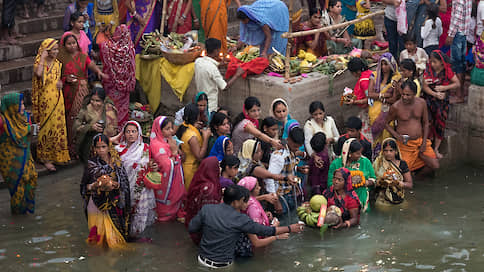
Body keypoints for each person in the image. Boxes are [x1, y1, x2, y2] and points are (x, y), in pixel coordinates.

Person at [188, 185, 303, 268]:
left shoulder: (207, 209)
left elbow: (192, 228)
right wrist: (289, 228)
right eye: (246, 201)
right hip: (222, 266)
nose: (248, 204)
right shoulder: (241, 219)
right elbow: (265, 231)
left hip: (201, 261)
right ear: (237, 201)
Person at [57, 32, 107, 155]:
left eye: (74, 43)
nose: (72, 46)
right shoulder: (60, 58)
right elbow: (56, 75)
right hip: (68, 92)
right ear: (63, 45)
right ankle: (71, 146)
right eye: (69, 44)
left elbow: (91, 65)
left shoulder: (83, 56)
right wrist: (65, 79)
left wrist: (99, 73)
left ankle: (83, 145)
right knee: (71, 118)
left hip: (82, 91)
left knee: (83, 116)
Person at [80, 133, 130, 248]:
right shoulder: (91, 164)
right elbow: (84, 187)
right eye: (98, 147)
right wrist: (95, 186)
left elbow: (124, 183)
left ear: (109, 147)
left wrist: (115, 185)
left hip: (115, 203)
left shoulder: (117, 162)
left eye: (104, 147)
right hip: (97, 204)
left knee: (115, 240)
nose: (101, 150)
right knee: (99, 241)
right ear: (94, 148)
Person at [32, 38, 71, 171]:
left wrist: (60, 83)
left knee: (58, 126)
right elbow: (38, 74)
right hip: (45, 101)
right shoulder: (39, 63)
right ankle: (45, 158)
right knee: (46, 127)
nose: (56, 51)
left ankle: (58, 156)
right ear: (47, 51)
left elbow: (57, 78)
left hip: (57, 99)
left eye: (56, 49)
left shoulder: (58, 64)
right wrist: (42, 57)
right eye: (53, 49)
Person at [385, 79, 440, 173]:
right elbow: (386, 124)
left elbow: (426, 123)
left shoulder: (421, 103)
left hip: (420, 141)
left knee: (435, 165)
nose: (405, 97)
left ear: (414, 94)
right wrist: (397, 136)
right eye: (403, 94)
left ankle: (418, 176)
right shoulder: (396, 107)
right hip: (405, 144)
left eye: (408, 95)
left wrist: (423, 143)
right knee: (402, 171)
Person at [111, 121, 155, 234]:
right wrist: (114, 138)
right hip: (125, 188)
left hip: (142, 187)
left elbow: (149, 164)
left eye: (133, 131)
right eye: (128, 132)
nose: (131, 134)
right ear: (123, 134)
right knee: (126, 213)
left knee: (140, 214)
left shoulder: (145, 148)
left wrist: (153, 167)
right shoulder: (118, 150)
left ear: (138, 133)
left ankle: (139, 235)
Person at [0, 93, 38, 214]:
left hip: (26, 159)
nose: (23, 107)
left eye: (22, 103)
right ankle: (19, 218)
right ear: (12, 107)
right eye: (20, 104)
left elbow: (29, 135)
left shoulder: (25, 118)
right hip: (11, 164)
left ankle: (28, 215)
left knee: (32, 180)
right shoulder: (2, 122)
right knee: (18, 191)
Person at [144, 116, 186, 222]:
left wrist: (176, 152)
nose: (171, 131)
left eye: (171, 128)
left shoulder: (167, 141)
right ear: (159, 130)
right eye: (167, 129)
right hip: (165, 181)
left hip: (173, 179)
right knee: (164, 212)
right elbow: (167, 166)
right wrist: (175, 152)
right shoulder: (157, 145)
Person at [236, 177, 288, 257]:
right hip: (256, 247)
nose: (260, 188)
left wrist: (264, 216)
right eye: (257, 187)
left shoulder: (246, 202)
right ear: (250, 191)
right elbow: (258, 233)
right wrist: (274, 227)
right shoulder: (252, 206)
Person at [422, 51, 460, 158]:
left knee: (440, 122)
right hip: (429, 99)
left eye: (435, 62)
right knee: (428, 122)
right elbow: (424, 87)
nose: (432, 64)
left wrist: (444, 88)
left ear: (441, 63)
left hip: (442, 102)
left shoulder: (447, 71)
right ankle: (428, 146)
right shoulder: (428, 70)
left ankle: (436, 149)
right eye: (431, 61)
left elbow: (457, 83)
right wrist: (435, 94)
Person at [100, 24, 136, 129]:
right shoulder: (130, 48)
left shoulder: (107, 47)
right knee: (123, 108)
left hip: (110, 83)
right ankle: (122, 130)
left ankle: (111, 130)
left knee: (111, 107)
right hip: (125, 86)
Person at [194, 38, 244, 114]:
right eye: (219, 50)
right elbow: (224, 87)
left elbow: (207, 69)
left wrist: (219, 65)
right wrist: (237, 75)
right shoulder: (213, 68)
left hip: (200, 101)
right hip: (210, 104)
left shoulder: (198, 61)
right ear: (216, 51)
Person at [265, 127, 307, 214]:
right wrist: (276, 201)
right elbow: (269, 178)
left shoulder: (291, 150)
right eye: (295, 146)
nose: (297, 149)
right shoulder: (279, 156)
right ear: (289, 140)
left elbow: (286, 168)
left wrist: (297, 169)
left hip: (289, 192)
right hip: (280, 195)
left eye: (299, 147)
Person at [367, 53, 402, 158]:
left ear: (391, 65)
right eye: (381, 64)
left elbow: (393, 99)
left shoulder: (396, 78)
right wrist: (384, 95)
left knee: (387, 137)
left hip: (387, 113)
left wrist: (379, 96)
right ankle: (377, 161)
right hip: (374, 112)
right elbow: (370, 94)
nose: (383, 67)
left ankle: (388, 160)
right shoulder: (374, 75)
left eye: (386, 64)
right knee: (376, 140)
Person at [328, 139, 376, 213]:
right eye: (357, 153)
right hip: (342, 200)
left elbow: (373, 179)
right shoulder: (336, 164)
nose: (360, 156)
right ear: (349, 153)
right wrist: (346, 184)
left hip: (362, 198)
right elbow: (330, 184)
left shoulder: (365, 161)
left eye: (361, 153)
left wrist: (365, 182)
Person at [73, 87, 118, 163]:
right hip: (90, 143)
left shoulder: (109, 108)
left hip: (107, 141)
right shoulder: (85, 110)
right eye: (92, 100)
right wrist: (90, 127)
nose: (94, 103)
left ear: (103, 101)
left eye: (98, 101)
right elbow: (75, 127)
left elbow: (114, 127)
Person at [185, 156, 222, 245]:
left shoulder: (201, 183)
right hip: (204, 235)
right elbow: (209, 217)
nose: (220, 169)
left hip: (194, 227)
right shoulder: (210, 189)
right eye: (218, 166)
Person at [176, 103, 211, 190]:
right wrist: (206, 138)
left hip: (185, 165)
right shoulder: (192, 137)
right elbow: (199, 156)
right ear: (197, 117)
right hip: (190, 169)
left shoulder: (184, 126)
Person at [373, 138, 413, 206]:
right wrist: (381, 182)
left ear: (396, 151)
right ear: (382, 151)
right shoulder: (378, 163)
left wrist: (398, 183)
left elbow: (410, 184)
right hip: (382, 200)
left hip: (399, 199)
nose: (388, 153)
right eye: (386, 151)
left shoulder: (402, 164)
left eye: (391, 151)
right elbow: (373, 181)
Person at [445, 0, 472, 103]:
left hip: (458, 33)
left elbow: (457, 16)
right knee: (461, 64)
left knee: (457, 65)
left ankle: (458, 95)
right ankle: (460, 94)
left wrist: (451, 34)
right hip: (463, 32)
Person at [346, 57, 373, 142]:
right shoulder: (369, 73)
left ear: (357, 72)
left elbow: (370, 99)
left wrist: (354, 102)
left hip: (369, 111)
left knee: (366, 135)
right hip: (367, 109)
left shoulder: (364, 81)